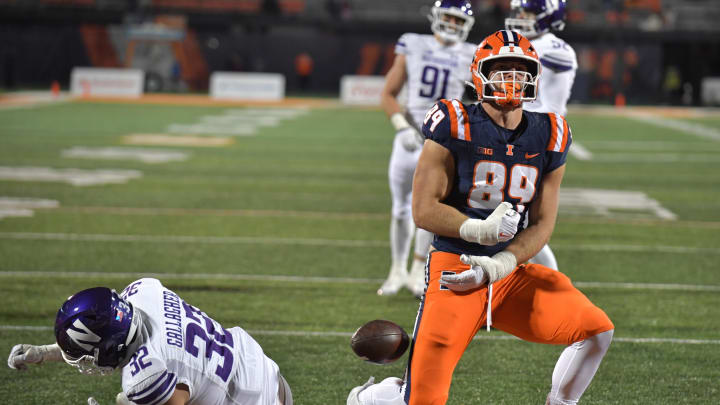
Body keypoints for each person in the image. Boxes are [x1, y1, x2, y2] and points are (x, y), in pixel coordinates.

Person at [348, 30, 614, 405]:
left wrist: (501, 262)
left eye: (520, 71)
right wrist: (478, 229)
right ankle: (370, 399)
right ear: (478, 74)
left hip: (509, 274)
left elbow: (542, 223)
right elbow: (423, 210)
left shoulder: (551, 133)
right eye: (501, 70)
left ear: (534, 77)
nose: (511, 80)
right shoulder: (454, 121)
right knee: (423, 400)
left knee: (596, 330)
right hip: (454, 272)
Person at [8, 278, 293, 405]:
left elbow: (175, 397)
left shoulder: (147, 375)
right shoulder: (143, 292)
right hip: (264, 371)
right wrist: (46, 353)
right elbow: (104, 332)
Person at [379, 0, 477, 297]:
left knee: (429, 207)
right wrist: (401, 126)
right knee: (399, 210)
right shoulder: (413, 43)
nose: (452, 25)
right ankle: (396, 269)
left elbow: (479, 99)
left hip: (441, 142)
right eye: (448, 18)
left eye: (459, 21)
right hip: (409, 138)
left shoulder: (471, 53)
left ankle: (417, 271)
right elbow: (388, 93)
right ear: (436, 16)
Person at [505, 0, 578, 270]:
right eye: (520, 12)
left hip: (539, 136)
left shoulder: (555, 48)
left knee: (527, 223)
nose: (521, 17)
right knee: (518, 221)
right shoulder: (533, 45)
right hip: (525, 133)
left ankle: (553, 282)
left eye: (529, 13)